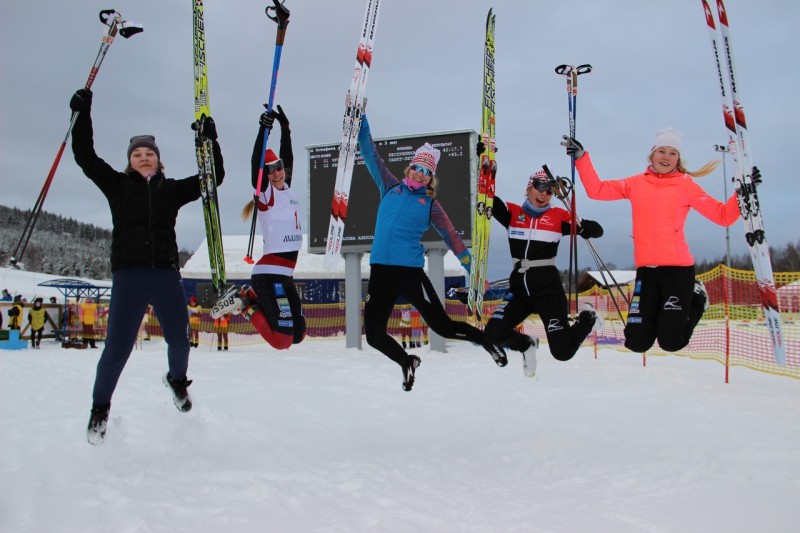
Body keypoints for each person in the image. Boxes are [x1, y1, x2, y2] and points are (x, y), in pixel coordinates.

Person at [69, 87, 225, 444]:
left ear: (158, 159)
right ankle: (100, 410)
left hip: (166, 275)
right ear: (130, 160)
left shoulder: (170, 190)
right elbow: (85, 156)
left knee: (181, 341)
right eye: (137, 154)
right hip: (130, 276)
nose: (143, 158)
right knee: (117, 349)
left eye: (149, 154)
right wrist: (82, 114)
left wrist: (210, 142)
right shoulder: (118, 186)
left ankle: (176, 381)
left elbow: (213, 178)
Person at [357, 114, 507, 392]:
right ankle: (407, 361)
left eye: (424, 171)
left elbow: (451, 236)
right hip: (380, 273)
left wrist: (472, 268)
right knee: (375, 336)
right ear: (409, 168)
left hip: (410, 275)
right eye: (415, 167)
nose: (418, 173)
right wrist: (360, 119)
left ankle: (487, 341)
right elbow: (368, 151)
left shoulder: (430, 204)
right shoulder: (389, 186)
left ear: (430, 177)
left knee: (444, 327)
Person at [562, 128, 740, 353]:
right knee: (636, 342)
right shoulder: (636, 183)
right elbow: (597, 190)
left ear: (678, 159)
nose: (666, 157)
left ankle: (697, 297)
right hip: (647, 272)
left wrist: (741, 195)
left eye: (672, 153)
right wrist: (581, 158)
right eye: (662, 151)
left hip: (677, 272)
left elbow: (723, 216)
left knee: (672, 341)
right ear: (652, 155)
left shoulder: (686, 185)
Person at [482, 164, 604, 377]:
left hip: (548, 291)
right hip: (520, 291)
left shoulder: (558, 216)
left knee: (562, 351)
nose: (544, 194)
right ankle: (526, 344)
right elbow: (486, 196)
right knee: (493, 334)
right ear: (529, 188)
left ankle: (588, 317)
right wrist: (484, 166)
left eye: (549, 191)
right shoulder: (513, 213)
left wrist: (584, 227)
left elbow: (597, 230)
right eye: (539, 186)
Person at [211, 105, 306, 350]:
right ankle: (245, 303)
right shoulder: (266, 195)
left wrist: (286, 129)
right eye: (271, 170)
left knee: (298, 334)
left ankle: (250, 296)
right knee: (282, 341)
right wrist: (264, 129)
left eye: (279, 167)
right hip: (270, 274)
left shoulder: (288, 191)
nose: (276, 173)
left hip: (285, 276)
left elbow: (288, 156)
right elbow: (257, 164)